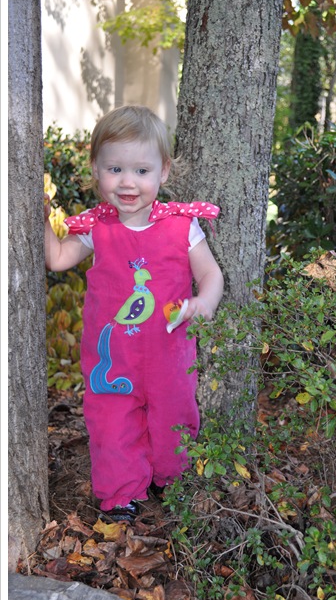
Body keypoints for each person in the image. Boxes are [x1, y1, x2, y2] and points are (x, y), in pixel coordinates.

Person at [44, 105, 224, 522]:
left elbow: (210, 274)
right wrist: (39, 212)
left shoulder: (182, 227)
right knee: (112, 423)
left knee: (174, 418)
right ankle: (121, 492)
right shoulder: (97, 229)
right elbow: (57, 258)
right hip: (111, 358)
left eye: (142, 171)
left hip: (169, 355)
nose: (128, 182)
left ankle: (170, 478)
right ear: (96, 169)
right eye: (115, 169)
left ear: (164, 171)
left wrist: (204, 303)